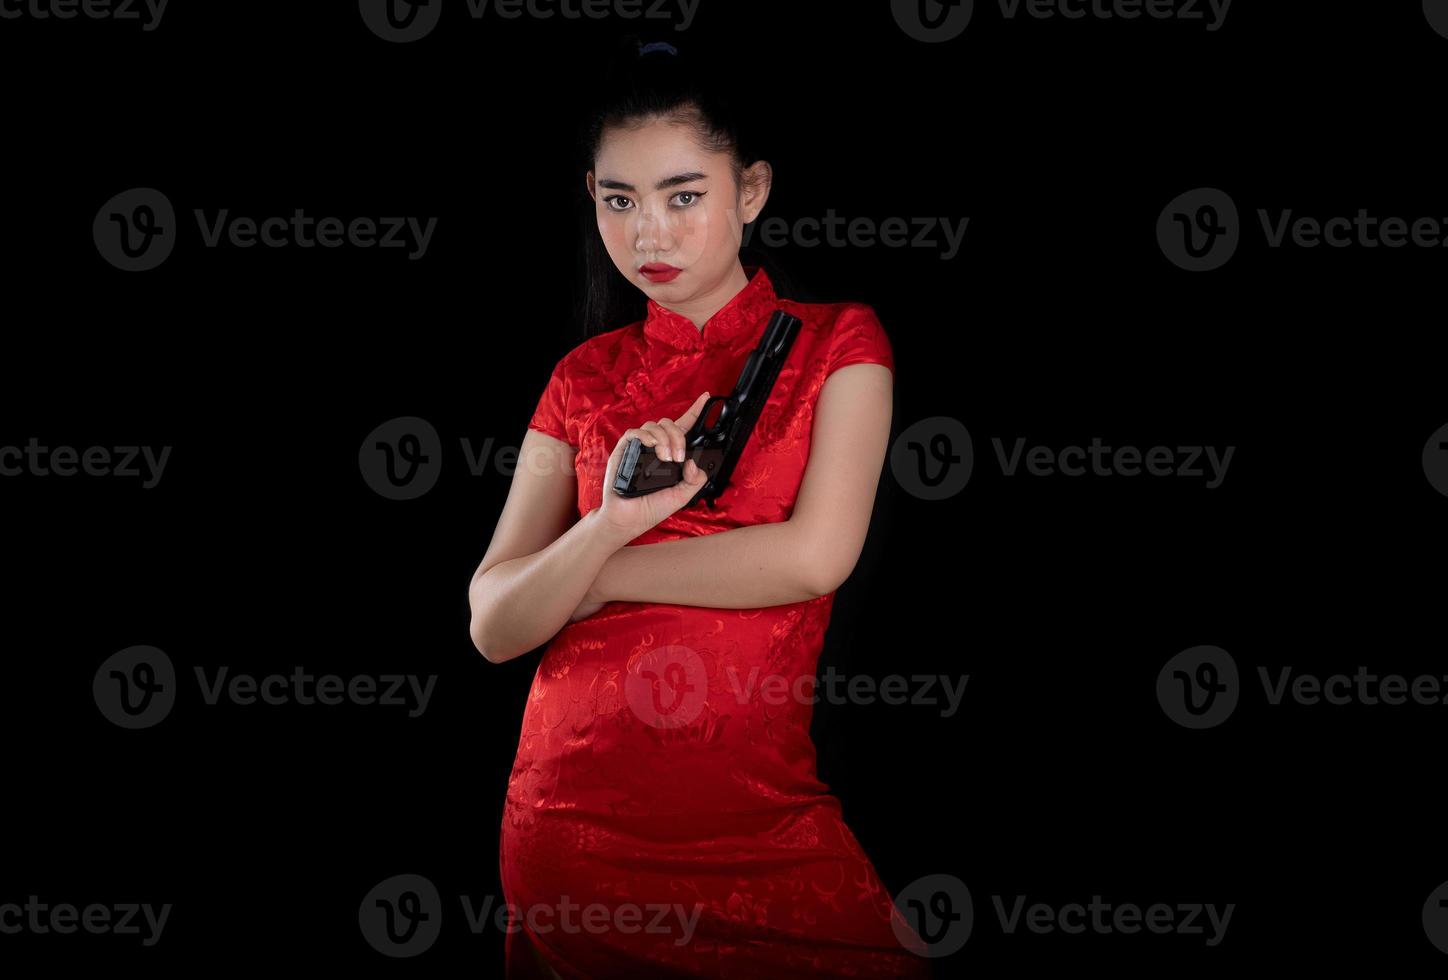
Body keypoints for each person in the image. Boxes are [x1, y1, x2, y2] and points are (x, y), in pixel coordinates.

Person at [467, 34, 932, 980]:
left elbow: (813, 557)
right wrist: (604, 526)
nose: (651, 234)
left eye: (685, 196)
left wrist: (596, 577)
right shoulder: (580, 379)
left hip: (758, 822)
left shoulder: (838, 343)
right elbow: (493, 623)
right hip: (572, 829)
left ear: (750, 192)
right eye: (620, 200)